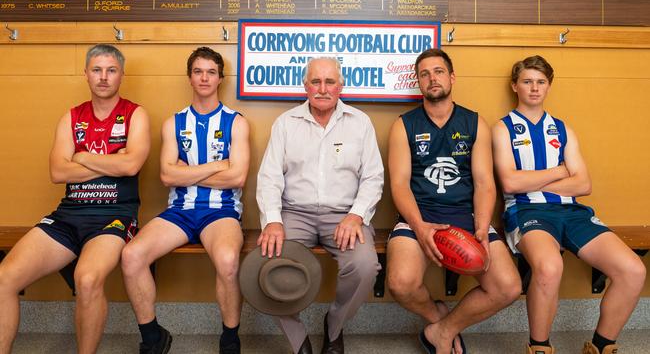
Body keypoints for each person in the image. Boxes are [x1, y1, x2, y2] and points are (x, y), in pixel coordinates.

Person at [0, 44, 150, 354]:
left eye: (111, 70)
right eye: (97, 70)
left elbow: (131, 165)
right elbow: (57, 171)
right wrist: (110, 161)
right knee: (4, 277)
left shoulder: (135, 114)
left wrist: (79, 158)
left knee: (87, 278)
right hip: (68, 215)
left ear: (121, 74)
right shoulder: (71, 117)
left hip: (115, 217)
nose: (104, 77)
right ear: (86, 74)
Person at [492, 55, 646, 354]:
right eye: (527, 82)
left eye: (541, 82)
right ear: (515, 86)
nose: (534, 88)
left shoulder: (562, 129)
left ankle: (602, 346)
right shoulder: (503, 128)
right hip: (526, 211)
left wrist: (533, 180)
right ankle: (540, 347)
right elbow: (510, 184)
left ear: (549, 86)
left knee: (633, 270)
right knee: (550, 267)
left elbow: (584, 185)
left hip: (571, 212)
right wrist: (561, 170)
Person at [386, 48, 521, 354]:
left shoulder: (475, 123)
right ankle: (438, 317)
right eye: (424, 74)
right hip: (418, 216)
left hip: (467, 215)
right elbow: (399, 184)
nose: (432, 78)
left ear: (452, 77)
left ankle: (442, 331)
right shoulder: (403, 125)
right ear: (418, 83)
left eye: (438, 71)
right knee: (400, 283)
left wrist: (483, 228)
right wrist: (419, 228)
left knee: (508, 286)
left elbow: (486, 183)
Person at [120, 47, 250, 354]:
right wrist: (217, 165)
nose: (204, 78)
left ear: (220, 78)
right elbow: (166, 176)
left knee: (229, 262)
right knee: (131, 256)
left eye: (211, 72)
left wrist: (185, 172)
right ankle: (153, 337)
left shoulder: (236, 122)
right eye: (198, 71)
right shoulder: (173, 123)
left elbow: (237, 178)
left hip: (222, 211)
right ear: (189, 77)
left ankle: (230, 339)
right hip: (179, 211)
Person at [256, 57, 384, 354]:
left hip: (344, 215)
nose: (323, 88)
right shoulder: (286, 123)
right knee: (263, 267)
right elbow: (269, 177)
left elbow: (373, 177)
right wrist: (273, 220)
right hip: (294, 213)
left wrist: (355, 216)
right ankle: (299, 340)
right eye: (316, 81)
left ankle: (334, 324)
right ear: (306, 86)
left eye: (330, 82)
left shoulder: (360, 122)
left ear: (341, 86)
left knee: (365, 266)